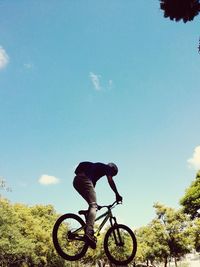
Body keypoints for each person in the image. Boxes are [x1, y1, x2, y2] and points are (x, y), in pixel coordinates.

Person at [73, 161, 123, 249]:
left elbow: (92, 188)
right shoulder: (107, 167)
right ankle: (89, 232)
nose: (111, 175)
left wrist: (95, 205)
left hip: (77, 181)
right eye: (112, 173)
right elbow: (110, 181)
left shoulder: (96, 172)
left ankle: (87, 220)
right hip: (83, 179)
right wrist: (117, 194)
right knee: (93, 205)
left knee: (93, 205)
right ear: (112, 168)